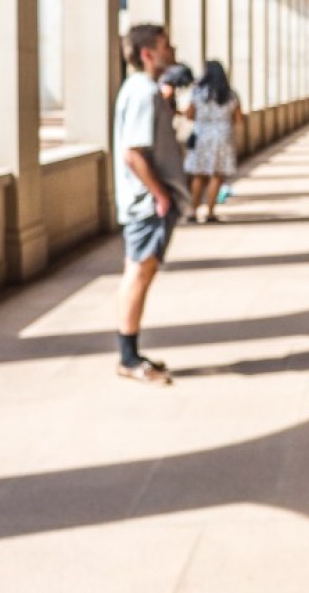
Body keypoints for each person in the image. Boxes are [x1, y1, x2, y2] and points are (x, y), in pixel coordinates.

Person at [113, 24, 190, 386]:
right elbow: (133, 153)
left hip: (146, 201)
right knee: (139, 274)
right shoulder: (143, 93)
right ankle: (128, 357)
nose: (171, 50)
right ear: (147, 53)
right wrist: (160, 195)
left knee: (140, 272)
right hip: (147, 204)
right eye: (164, 46)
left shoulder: (145, 91)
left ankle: (130, 352)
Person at [184, 60, 242, 223]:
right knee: (217, 174)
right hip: (222, 136)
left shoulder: (198, 92)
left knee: (199, 174)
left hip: (201, 135)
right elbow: (238, 119)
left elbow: (189, 115)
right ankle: (210, 211)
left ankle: (192, 211)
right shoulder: (230, 94)